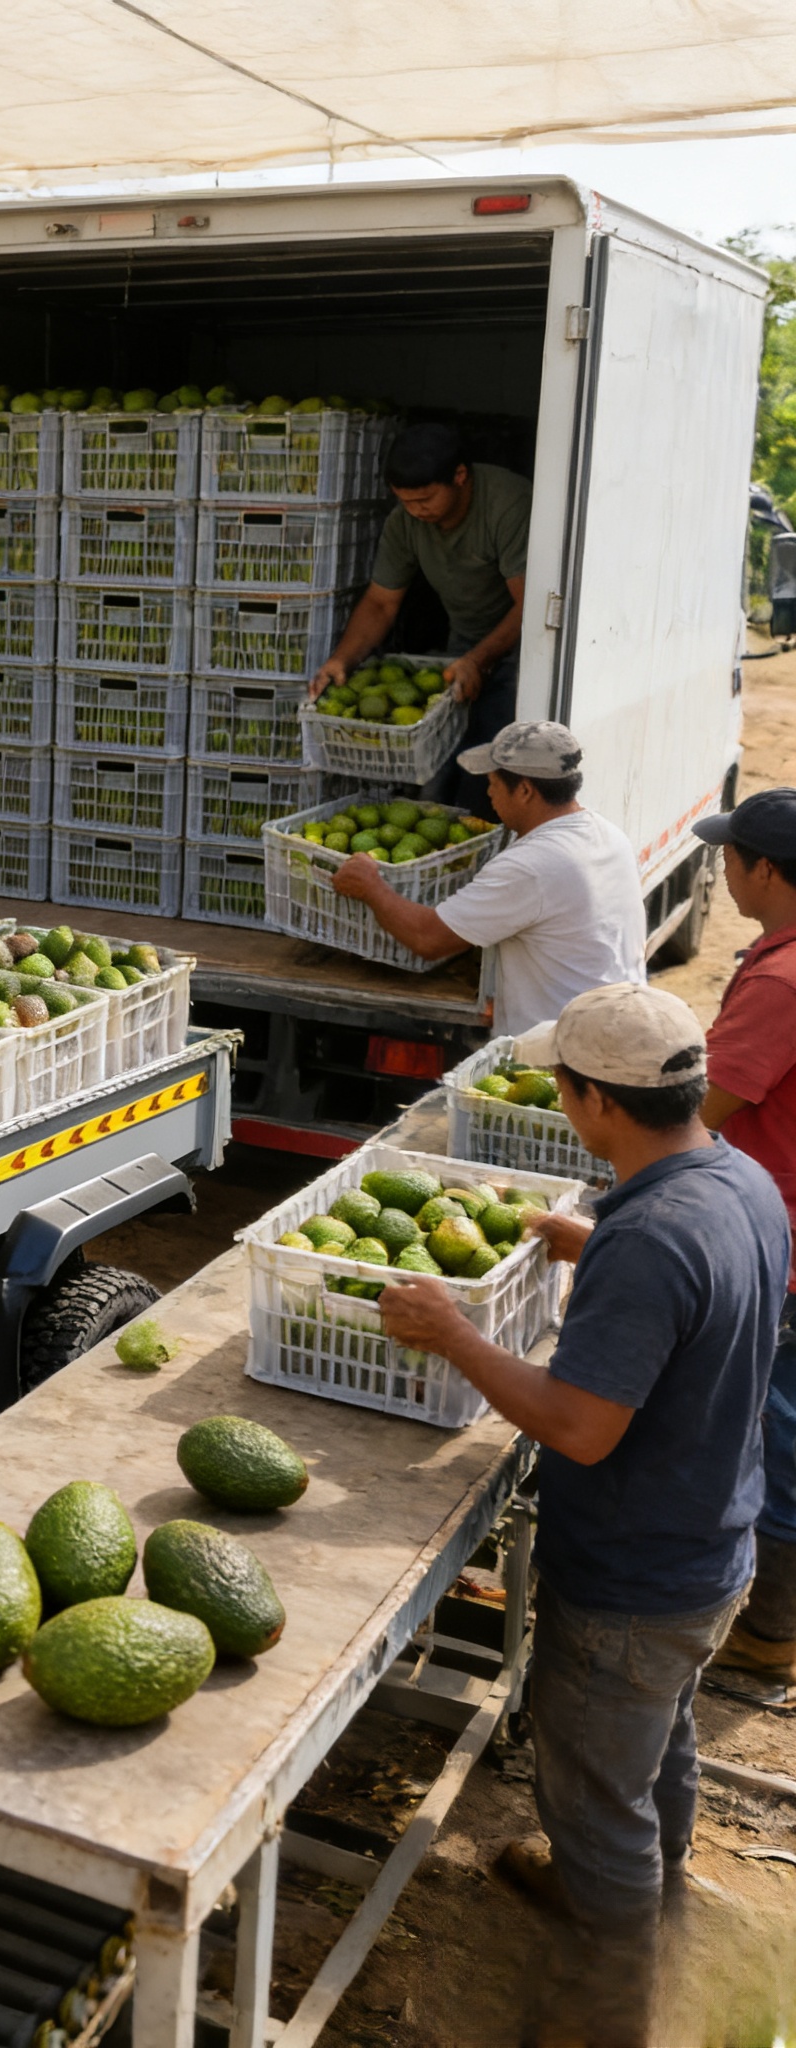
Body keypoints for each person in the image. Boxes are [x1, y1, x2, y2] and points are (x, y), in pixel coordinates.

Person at [378, 983, 785, 2044]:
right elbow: (696, 1300)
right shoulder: (738, 1178)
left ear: (595, 1101)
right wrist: (577, 1238)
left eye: (562, 1086)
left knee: (594, 1791)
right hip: (709, 1544)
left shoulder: (649, 1237)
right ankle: (650, 1907)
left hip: (631, 1576)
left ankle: (606, 2007)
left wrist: (454, 1334)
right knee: (660, 1746)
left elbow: (581, 1424)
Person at [329, 721, 646, 1035]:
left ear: (524, 790)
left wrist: (371, 887)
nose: (489, 792)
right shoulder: (608, 834)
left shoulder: (529, 866)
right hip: (612, 1027)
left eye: (493, 782)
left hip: (565, 1049)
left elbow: (428, 939)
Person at [689, 788, 796, 1686]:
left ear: (764, 870)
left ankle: (769, 1634)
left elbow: (701, 1115)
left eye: (730, 857)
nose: (721, 870)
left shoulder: (778, 981)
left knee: (777, 1424)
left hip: (783, 1235)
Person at [313, 421, 530, 812]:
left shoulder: (507, 504)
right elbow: (381, 602)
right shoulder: (406, 521)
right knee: (440, 763)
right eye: (405, 501)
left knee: (491, 761)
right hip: (462, 643)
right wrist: (341, 660)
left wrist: (481, 660)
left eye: (425, 500)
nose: (415, 511)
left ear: (460, 477)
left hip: (522, 646)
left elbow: (530, 603)